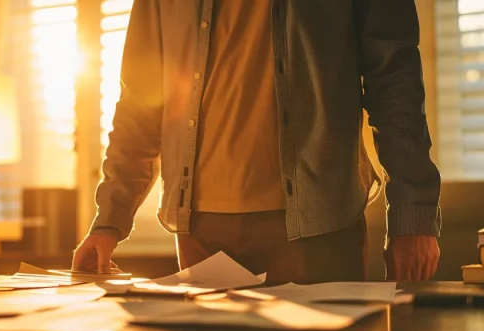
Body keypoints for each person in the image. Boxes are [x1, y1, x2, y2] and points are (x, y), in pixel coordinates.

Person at [72, 0, 442, 284]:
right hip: (201, 230)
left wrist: (414, 217)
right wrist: (108, 222)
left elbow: (395, 81)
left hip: (319, 228)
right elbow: (141, 100)